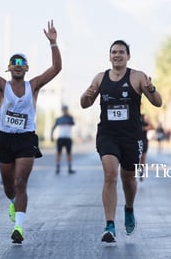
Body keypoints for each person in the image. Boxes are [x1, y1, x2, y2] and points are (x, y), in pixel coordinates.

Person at [0, 18, 61, 244]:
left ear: (26, 68)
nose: (17, 65)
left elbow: (56, 68)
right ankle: (14, 204)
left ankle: (19, 227)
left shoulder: (32, 85)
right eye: (13, 62)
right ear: (9, 67)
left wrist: (53, 43)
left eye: (21, 62)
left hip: (26, 139)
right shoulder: (1, 86)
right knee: (8, 187)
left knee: (21, 182)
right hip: (5, 138)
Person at [80, 40, 162, 243]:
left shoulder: (138, 77)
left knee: (128, 179)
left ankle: (129, 208)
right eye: (114, 52)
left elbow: (158, 102)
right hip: (108, 135)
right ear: (109, 56)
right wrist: (86, 95)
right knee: (110, 176)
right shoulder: (100, 78)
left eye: (121, 52)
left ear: (128, 56)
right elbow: (85, 104)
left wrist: (151, 89)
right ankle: (109, 225)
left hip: (131, 137)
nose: (117, 55)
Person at [50, 105, 76, 174]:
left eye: (65, 110)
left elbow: (73, 124)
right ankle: (58, 168)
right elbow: (53, 127)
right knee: (58, 153)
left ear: (67, 110)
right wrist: (51, 136)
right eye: (63, 110)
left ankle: (70, 168)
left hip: (68, 138)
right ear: (62, 110)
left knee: (69, 154)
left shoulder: (70, 118)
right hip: (61, 138)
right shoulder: (59, 119)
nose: (64, 111)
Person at [138, 109, 154, 181]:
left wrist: (143, 128)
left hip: (143, 140)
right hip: (133, 140)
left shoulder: (144, 117)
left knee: (143, 158)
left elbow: (152, 126)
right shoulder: (131, 115)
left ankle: (141, 171)